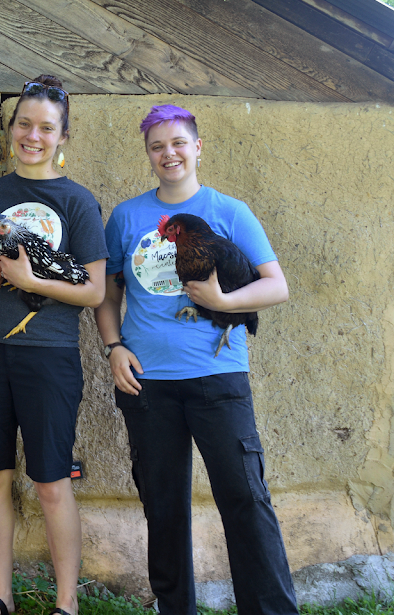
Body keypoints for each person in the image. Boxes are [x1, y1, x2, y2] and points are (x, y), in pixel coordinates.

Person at [94, 105, 295, 615]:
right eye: (158, 146)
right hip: (146, 381)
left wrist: (225, 303)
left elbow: (277, 286)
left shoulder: (231, 211)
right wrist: (113, 348)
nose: (169, 153)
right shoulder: (127, 216)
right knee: (164, 508)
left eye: (179, 142)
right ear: (148, 154)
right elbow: (108, 294)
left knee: (246, 501)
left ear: (197, 147)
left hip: (218, 376)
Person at [0, 76, 107, 615]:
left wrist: (31, 280)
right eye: (24, 124)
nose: (32, 135)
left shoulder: (78, 202)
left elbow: (94, 291)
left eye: (46, 127)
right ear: (9, 130)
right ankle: (1, 598)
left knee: (50, 481)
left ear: (63, 135)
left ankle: (67, 604)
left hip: (49, 354)